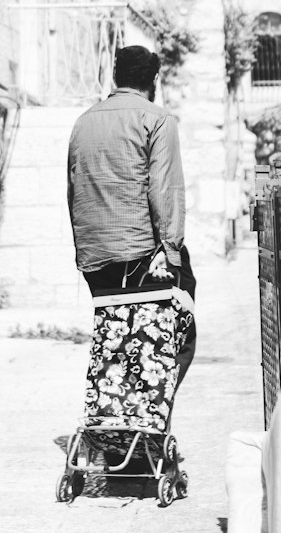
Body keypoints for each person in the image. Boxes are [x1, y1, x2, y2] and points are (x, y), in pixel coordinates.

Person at [66, 43, 196, 388]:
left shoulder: (83, 122)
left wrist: (85, 250)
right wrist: (170, 253)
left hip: (94, 258)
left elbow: (73, 188)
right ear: (153, 79)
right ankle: (146, 429)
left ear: (114, 75)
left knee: (115, 341)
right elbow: (164, 190)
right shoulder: (156, 119)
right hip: (138, 254)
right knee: (174, 337)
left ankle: (114, 426)